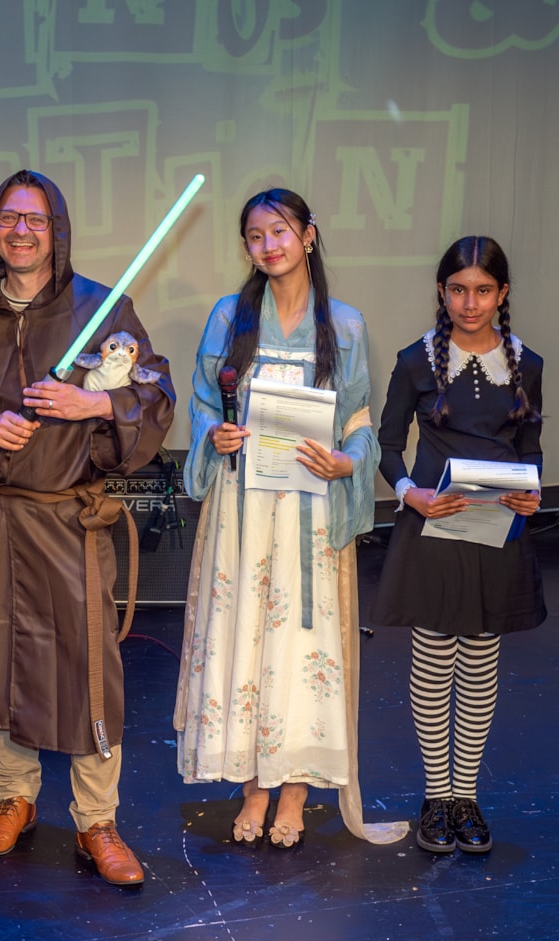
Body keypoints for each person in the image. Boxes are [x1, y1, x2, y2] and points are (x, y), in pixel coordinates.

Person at [0, 169, 175, 886]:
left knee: (89, 671)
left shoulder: (103, 307)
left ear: (57, 232)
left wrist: (93, 406)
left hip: (70, 519)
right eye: (8, 218)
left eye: (35, 220)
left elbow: (154, 393)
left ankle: (97, 818)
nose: (20, 231)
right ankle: (14, 797)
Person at [173, 189, 406, 849]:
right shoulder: (229, 317)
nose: (268, 245)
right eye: (254, 235)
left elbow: (359, 421)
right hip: (243, 510)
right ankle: (252, 787)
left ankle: (295, 791)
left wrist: (345, 461)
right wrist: (215, 433)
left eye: (279, 231)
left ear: (308, 235)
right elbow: (200, 402)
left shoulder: (347, 326)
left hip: (309, 508)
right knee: (246, 640)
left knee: (301, 649)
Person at [371, 236, 544, 854]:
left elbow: (530, 447)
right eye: (458, 289)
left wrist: (533, 489)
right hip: (434, 528)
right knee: (434, 657)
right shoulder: (416, 360)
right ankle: (435, 796)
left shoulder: (528, 363)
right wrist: (409, 493)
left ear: (502, 294)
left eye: (484, 290)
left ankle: (465, 796)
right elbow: (386, 446)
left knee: (479, 660)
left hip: (497, 531)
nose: (470, 303)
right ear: (442, 292)